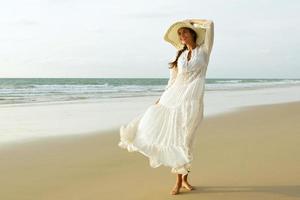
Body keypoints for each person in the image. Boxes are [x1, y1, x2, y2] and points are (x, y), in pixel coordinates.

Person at [118, 18, 214, 195]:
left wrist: (191, 22)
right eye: (180, 34)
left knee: (186, 140)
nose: (182, 35)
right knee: (176, 139)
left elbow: (210, 24)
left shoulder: (204, 51)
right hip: (173, 99)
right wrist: (160, 99)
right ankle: (178, 182)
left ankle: (184, 178)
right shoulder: (179, 55)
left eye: (184, 32)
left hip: (192, 100)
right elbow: (173, 81)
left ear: (192, 34)